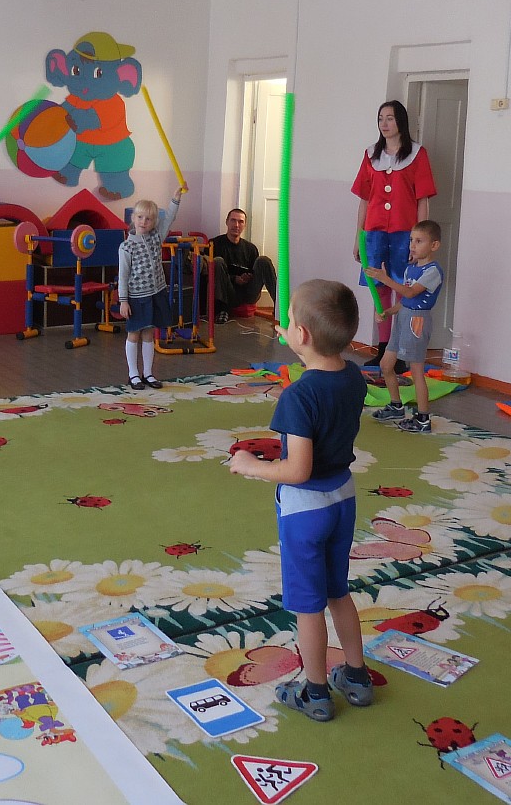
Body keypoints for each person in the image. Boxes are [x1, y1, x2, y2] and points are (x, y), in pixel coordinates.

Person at [226, 279, 374, 722]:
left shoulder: (298, 396)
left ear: (303, 335)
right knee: (338, 592)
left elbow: (297, 470)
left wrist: (250, 465)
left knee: (308, 607)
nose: (286, 326)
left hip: (305, 511)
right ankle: (357, 677)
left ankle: (315, 692)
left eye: (289, 320)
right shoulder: (353, 376)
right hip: (343, 498)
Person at [352, 100, 436, 370]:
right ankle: (383, 349)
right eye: (381, 119)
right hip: (374, 234)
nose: (384, 124)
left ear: (401, 121)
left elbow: (422, 200)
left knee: (403, 290)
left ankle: (399, 353)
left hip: (404, 234)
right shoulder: (370, 155)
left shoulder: (417, 154)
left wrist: (419, 241)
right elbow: (364, 200)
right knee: (379, 291)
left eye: (389, 118)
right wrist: (358, 237)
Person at [365, 220, 444, 433]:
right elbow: (405, 300)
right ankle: (396, 406)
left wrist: (385, 279)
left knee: (416, 371)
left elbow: (410, 292)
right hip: (403, 318)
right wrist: (389, 312)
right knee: (386, 365)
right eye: (411, 240)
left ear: (434, 245)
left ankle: (423, 418)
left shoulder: (433, 271)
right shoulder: (411, 269)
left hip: (416, 321)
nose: (412, 245)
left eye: (419, 241)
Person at [117, 187, 185, 389]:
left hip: (156, 293)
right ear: (133, 218)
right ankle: (133, 374)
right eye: (140, 217)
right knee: (134, 333)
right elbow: (123, 276)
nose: (143, 222)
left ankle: (148, 373)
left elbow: (169, 217)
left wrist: (175, 199)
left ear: (154, 222)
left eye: (148, 219)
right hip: (137, 297)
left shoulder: (156, 237)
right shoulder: (126, 247)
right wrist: (123, 301)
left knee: (149, 333)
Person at [209, 207, 278, 324]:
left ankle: (280, 308)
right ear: (227, 222)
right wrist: (234, 279)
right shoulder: (214, 244)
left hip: (248, 292)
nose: (236, 225)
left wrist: (247, 277)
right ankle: (222, 310)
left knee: (263, 260)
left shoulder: (251, 248)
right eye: (233, 220)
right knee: (217, 261)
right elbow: (209, 273)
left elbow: (255, 273)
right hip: (227, 292)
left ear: (245, 225)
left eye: (240, 222)